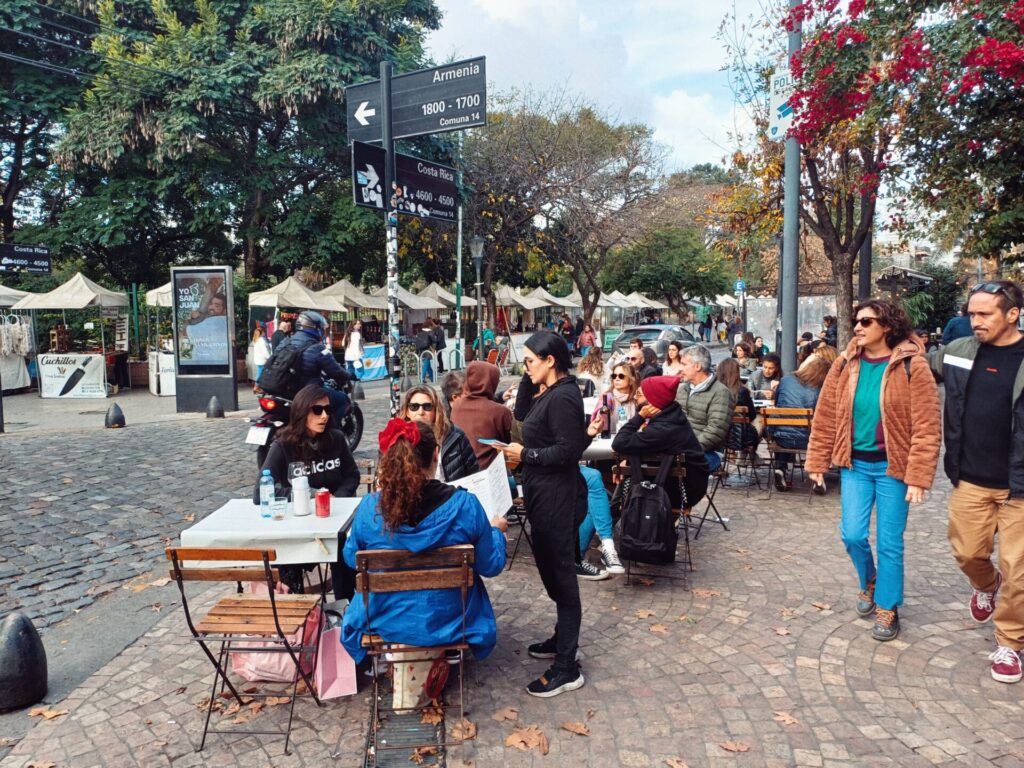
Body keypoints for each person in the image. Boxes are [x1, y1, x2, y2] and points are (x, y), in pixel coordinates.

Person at [806, 299, 940, 642]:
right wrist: (818, 460)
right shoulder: (845, 363)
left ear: (887, 326)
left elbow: (927, 424)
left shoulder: (913, 365)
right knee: (852, 534)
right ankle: (869, 580)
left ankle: (888, 605)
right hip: (855, 466)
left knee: (890, 543)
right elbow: (826, 416)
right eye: (856, 321)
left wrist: (919, 475)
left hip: (893, 467)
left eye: (867, 321)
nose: (858, 327)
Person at [340, 419, 507, 664]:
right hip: (452, 618)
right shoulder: (465, 506)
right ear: (436, 454)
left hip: (384, 617)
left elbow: (350, 557)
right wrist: (496, 532)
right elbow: (490, 565)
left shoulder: (369, 509)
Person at [927, 280, 1024, 683]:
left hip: (1020, 485)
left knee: (1019, 569)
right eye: (972, 313)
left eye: (984, 314)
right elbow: (919, 362)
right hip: (971, 479)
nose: (974, 320)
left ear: (1012, 314)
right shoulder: (961, 352)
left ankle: (1010, 643)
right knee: (968, 553)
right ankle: (985, 584)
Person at [500, 331, 588, 697]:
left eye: (531, 361)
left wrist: (526, 456)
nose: (527, 368)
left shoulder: (565, 396)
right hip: (540, 492)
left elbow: (571, 450)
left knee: (562, 579)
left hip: (558, 495)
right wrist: (528, 372)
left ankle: (567, 667)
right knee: (550, 571)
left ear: (551, 360)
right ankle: (561, 639)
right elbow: (521, 413)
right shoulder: (546, 391)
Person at [254, 384, 360, 598]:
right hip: (299, 524)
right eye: (317, 410)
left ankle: (345, 608)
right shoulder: (283, 445)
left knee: (345, 549)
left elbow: (352, 475)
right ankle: (298, 613)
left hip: (335, 520)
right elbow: (260, 492)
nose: (324, 416)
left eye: (328, 410)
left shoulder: (337, 439)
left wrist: (338, 499)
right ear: (302, 412)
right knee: (289, 559)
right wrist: (307, 496)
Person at [613, 375, 710, 516]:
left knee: (623, 479)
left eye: (639, 394)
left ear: (653, 402)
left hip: (683, 491)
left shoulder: (663, 428)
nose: (635, 397)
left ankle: (610, 525)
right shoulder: (672, 416)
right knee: (625, 474)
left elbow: (619, 442)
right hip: (683, 481)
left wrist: (640, 416)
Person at [267, 311, 352, 429]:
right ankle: (332, 434)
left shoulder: (286, 342)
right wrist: (347, 375)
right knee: (342, 399)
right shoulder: (317, 348)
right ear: (316, 329)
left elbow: (270, 361)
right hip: (306, 390)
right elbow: (335, 370)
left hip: (282, 389)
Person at [769, 355, 831, 491]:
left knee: (785, 428)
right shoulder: (819, 388)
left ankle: (780, 468)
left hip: (782, 438)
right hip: (807, 441)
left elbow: (777, 403)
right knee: (821, 435)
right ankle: (818, 476)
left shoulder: (785, 380)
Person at [675, 344, 734, 472]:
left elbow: (716, 430)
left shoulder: (720, 392)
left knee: (677, 469)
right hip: (678, 448)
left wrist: (689, 448)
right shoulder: (682, 389)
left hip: (707, 452)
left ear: (697, 366)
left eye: (684, 364)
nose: (680, 369)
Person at [402, 385, 479, 482]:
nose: (420, 412)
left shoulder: (456, 436)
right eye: (414, 407)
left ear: (436, 410)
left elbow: (474, 474)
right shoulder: (397, 440)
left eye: (427, 407)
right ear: (407, 411)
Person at [450, 361, 512, 469]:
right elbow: (508, 443)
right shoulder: (501, 411)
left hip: (461, 469)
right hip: (490, 470)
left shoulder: (456, 406)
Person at [716, 358, 759, 453]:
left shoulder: (714, 390)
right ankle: (750, 455)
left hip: (719, 434)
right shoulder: (741, 391)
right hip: (740, 435)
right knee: (759, 426)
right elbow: (752, 415)